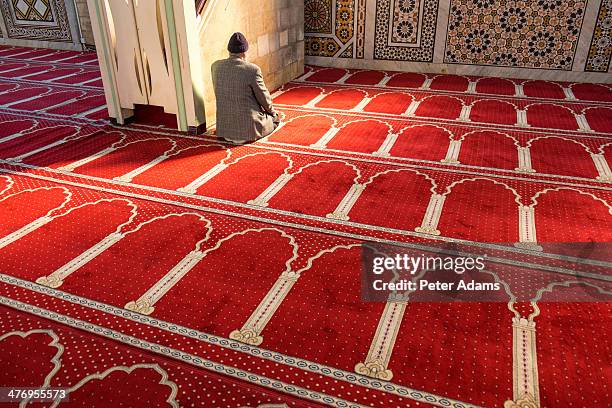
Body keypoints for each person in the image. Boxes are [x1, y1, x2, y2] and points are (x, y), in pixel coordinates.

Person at [211, 32, 281, 143]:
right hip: (249, 131)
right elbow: (263, 97)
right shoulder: (252, 69)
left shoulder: (215, 66)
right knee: (275, 119)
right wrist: (272, 113)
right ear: (244, 52)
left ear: (229, 50)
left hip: (224, 131)